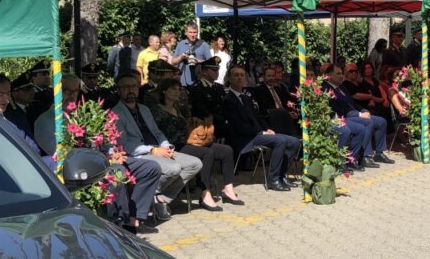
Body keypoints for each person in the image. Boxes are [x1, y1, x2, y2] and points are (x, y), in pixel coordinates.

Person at [111, 73, 203, 221]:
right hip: (139, 155)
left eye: (134, 86)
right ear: (118, 90)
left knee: (195, 164)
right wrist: (152, 150)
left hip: (158, 150)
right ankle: (149, 196)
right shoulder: (115, 113)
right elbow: (124, 144)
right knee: (174, 168)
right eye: (126, 87)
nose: (131, 90)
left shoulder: (144, 109)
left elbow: (157, 132)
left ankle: (160, 198)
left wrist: (166, 146)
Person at [152, 78, 243, 211]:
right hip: (173, 146)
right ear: (164, 91)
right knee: (207, 153)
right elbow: (157, 133)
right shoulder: (157, 111)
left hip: (188, 141)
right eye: (173, 89)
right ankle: (205, 193)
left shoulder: (177, 108)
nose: (177, 92)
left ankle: (228, 190)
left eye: (178, 89)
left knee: (226, 150)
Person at [222, 66, 301, 191]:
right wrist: (261, 132)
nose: (239, 78)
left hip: (256, 133)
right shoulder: (228, 100)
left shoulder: (245, 98)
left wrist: (267, 129)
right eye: (236, 75)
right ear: (229, 78)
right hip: (245, 138)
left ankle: (281, 175)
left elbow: (257, 117)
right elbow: (238, 126)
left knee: (294, 141)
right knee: (280, 141)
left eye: (242, 75)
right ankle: (273, 179)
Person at [323, 63, 394, 166]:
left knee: (381, 121)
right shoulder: (326, 88)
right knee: (367, 122)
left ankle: (379, 153)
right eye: (338, 73)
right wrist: (359, 114)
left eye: (341, 73)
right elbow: (336, 107)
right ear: (329, 75)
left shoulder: (341, 87)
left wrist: (363, 110)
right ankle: (365, 156)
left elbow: (352, 103)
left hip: (353, 113)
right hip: (343, 116)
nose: (341, 76)